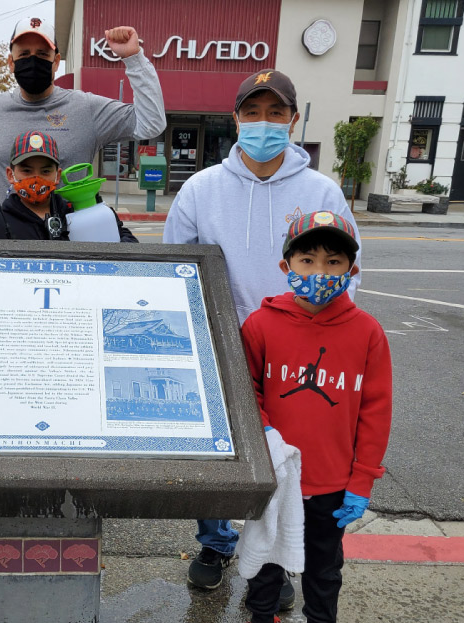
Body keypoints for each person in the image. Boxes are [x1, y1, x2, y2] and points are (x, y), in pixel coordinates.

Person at [162, 69, 362, 605]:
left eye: (276, 113)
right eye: (253, 113)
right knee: (217, 455)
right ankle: (215, 543)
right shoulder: (202, 189)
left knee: (285, 456)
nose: (264, 123)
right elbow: (174, 268)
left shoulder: (321, 191)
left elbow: (348, 273)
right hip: (222, 345)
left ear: (292, 120)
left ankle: (276, 559)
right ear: (236, 119)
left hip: (294, 352)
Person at [240, 212, 392, 623]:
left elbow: (376, 411)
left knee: (324, 569)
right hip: (276, 475)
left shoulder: (367, 332)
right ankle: (261, 617)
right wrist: (266, 433)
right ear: (285, 266)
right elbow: (244, 391)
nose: (320, 272)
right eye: (307, 260)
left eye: (333, 261)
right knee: (267, 566)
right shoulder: (260, 325)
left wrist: (362, 479)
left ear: (351, 269)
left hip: (333, 482)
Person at [0, 17, 166, 217]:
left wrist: (134, 59)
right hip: (5, 248)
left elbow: (150, 123)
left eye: (42, 54)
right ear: (11, 62)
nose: (33, 61)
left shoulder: (86, 109)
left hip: (70, 250)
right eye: (24, 54)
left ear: (56, 61)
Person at [0, 130, 137, 241]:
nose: (36, 178)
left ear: (57, 176)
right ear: (10, 175)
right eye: (26, 170)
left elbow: (126, 243)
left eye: (46, 171)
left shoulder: (79, 213)